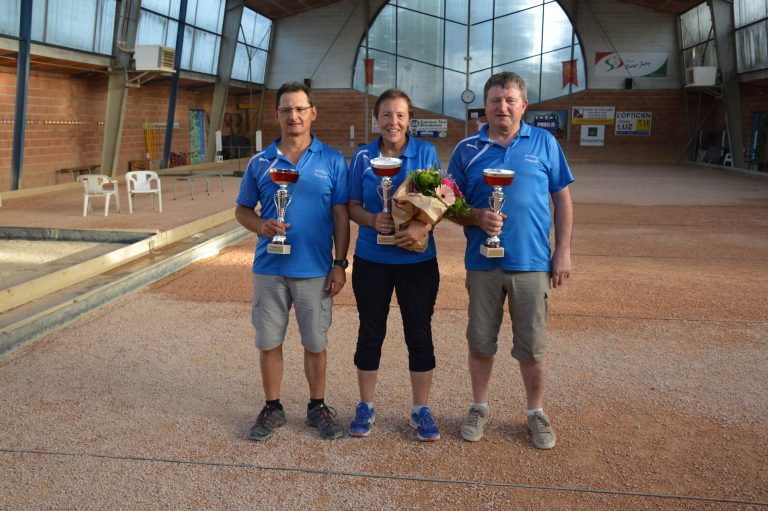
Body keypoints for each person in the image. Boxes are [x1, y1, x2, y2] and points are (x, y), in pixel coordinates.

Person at [447, 72, 574, 449]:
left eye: (509, 100)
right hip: (482, 263)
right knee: (480, 343)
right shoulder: (467, 149)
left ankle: (535, 412)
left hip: (533, 263)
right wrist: (475, 215)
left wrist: (562, 250)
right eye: (495, 100)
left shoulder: (545, 142)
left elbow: (562, 199)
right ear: (483, 107)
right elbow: (446, 204)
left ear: (523, 105)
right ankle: (478, 407)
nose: (502, 107)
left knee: (532, 346)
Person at [235, 82, 350, 441]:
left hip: (315, 269)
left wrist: (340, 262)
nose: (294, 116)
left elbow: (341, 215)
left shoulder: (332, 159)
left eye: (300, 109)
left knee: (315, 342)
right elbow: (242, 210)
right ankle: (273, 406)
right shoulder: (260, 162)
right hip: (270, 269)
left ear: (312, 112)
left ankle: (317, 406)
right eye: (286, 110)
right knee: (269, 340)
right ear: (277, 115)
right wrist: (261, 226)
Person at [347, 89, 442, 441]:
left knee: (418, 334)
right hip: (372, 260)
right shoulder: (361, 157)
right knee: (370, 333)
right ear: (377, 120)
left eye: (400, 115)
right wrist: (373, 220)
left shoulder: (426, 153)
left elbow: (443, 197)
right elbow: (352, 204)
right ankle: (366, 405)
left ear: (409, 120)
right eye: (387, 115)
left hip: (417, 260)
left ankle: (420, 409)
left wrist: (424, 225)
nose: (393, 122)